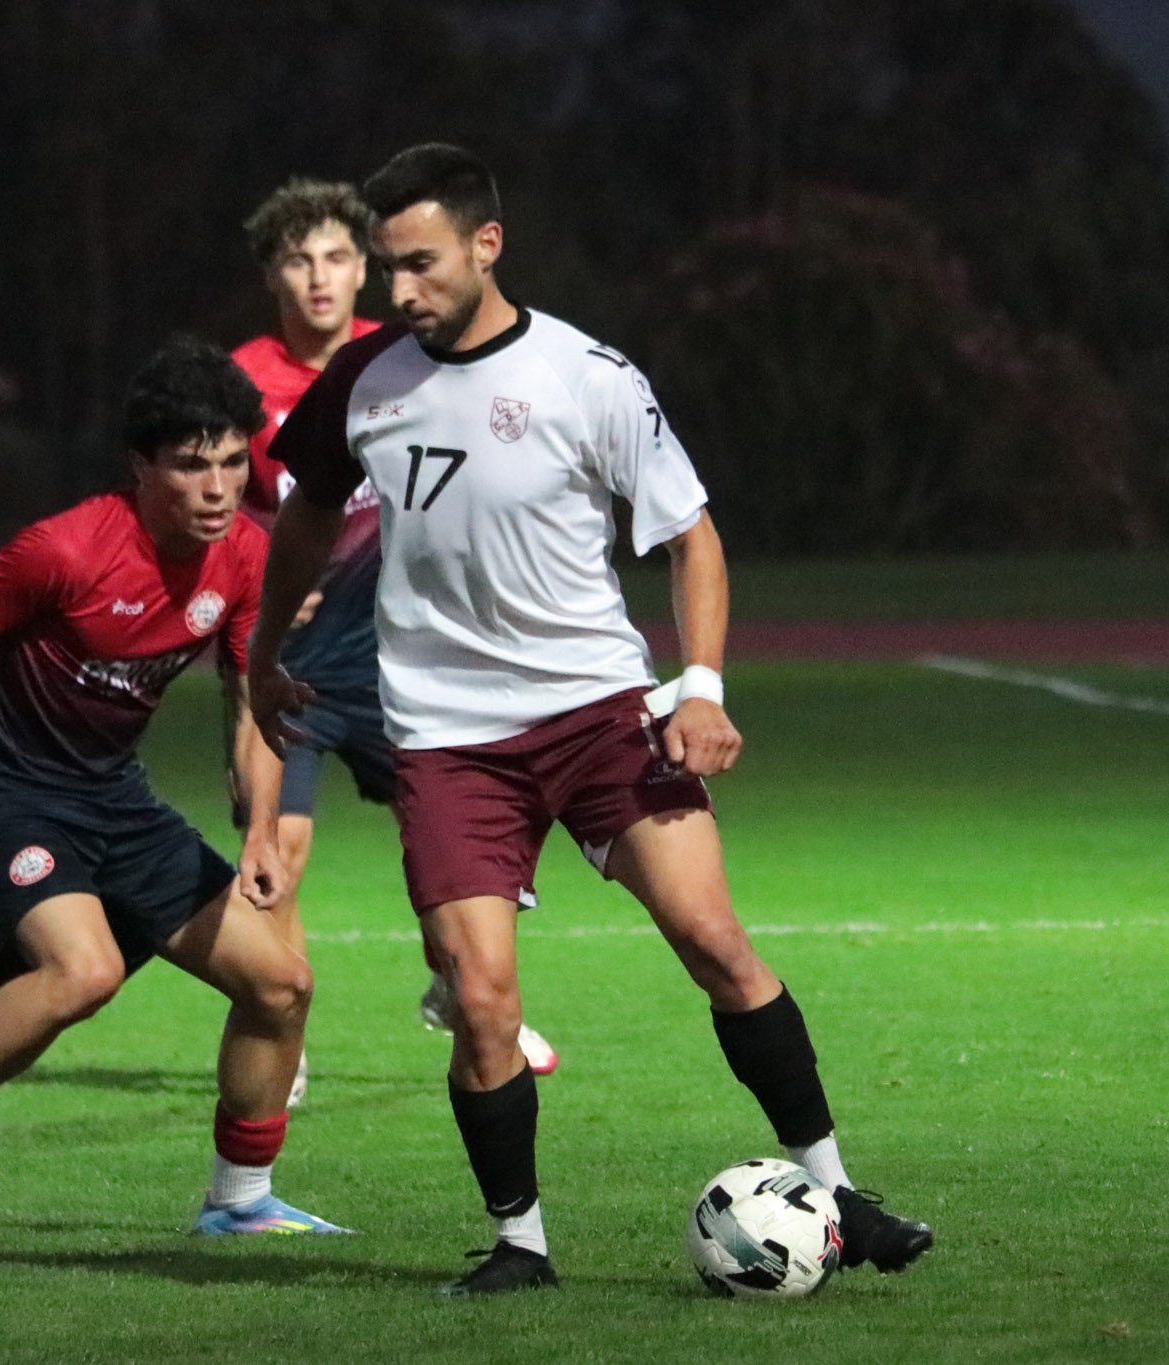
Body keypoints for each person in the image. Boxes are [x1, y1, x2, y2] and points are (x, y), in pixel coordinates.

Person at [247, 144, 932, 1296]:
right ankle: (519, 1245)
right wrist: (266, 652)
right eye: (385, 266)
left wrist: (700, 686)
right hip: (447, 741)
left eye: (419, 264)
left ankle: (839, 1195)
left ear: (486, 245)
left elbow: (690, 536)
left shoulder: (587, 376)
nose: (397, 290)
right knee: (479, 1001)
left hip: (599, 714)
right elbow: (310, 511)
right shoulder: (363, 380)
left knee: (714, 943)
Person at [0, 337, 346, 1240]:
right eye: (192, 466)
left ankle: (239, 1199)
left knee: (281, 984)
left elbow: (252, 706)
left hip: (115, 799)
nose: (219, 488)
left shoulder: (243, 558)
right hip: (7, 794)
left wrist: (262, 826)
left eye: (234, 463)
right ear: (141, 465)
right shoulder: (68, 547)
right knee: (86, 969)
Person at [227, 178, 558, 1108]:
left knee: (450, 840)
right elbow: (208, 505)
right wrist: (256, 588)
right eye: (300, 260)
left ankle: (462, 988)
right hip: (293, 662)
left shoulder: (406, 361)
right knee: (280, 847)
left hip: (403, 657)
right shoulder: (241, 384)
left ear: (363, 269)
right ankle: (285, 1041)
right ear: (272, 275)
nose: (320, 277)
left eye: (339, 257)